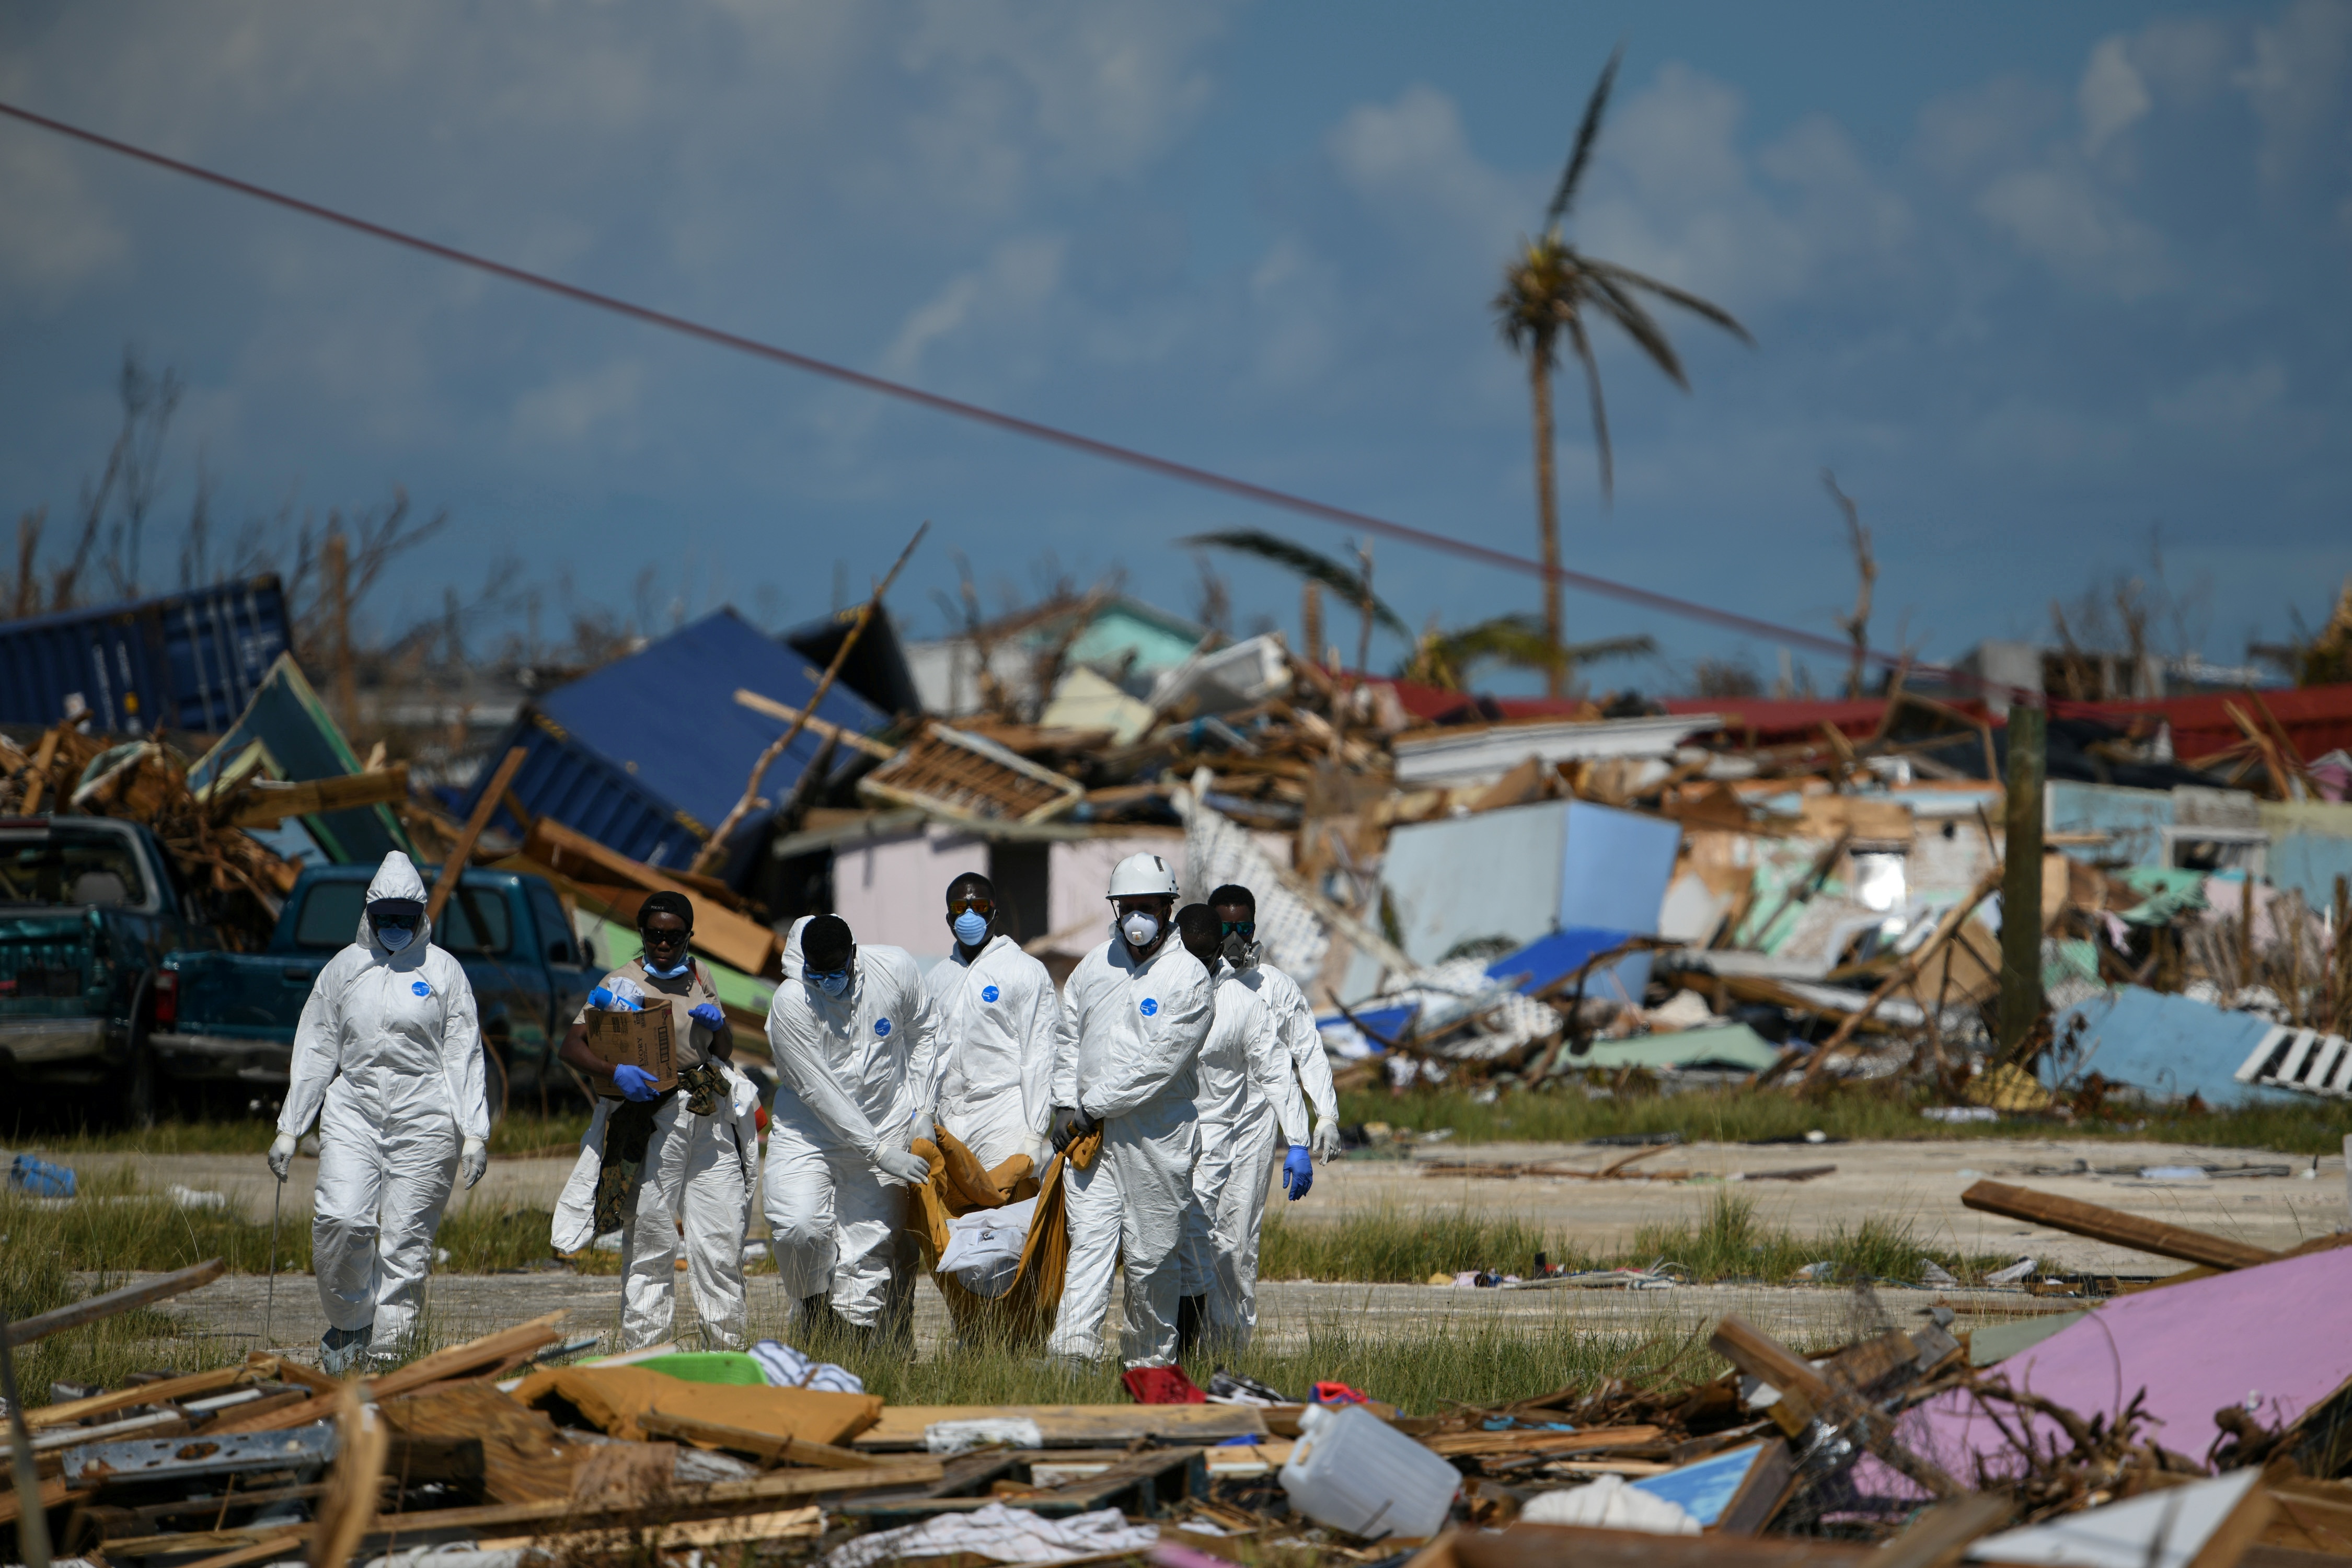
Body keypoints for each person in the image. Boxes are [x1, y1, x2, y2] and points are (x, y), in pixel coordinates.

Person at [268, 852, 489, 1373]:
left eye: (404, 919)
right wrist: (290, 1127)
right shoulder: (344, 970)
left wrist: (474, 1132)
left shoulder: (442, 972)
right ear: (369, 913)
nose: (394, 928)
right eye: (385, 917)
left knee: (405, 1241)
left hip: (425, 1113)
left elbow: (463, 1053)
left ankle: (393, 1360)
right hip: (355, 1108)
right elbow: (318, 1046)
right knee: (341, 1220)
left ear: (420, 917)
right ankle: (350, 1326)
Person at [556, 890, 755, 1350]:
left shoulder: (700, 975)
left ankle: (726, 1352)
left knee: (720, 1241)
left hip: (707, 1118)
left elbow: (721, 1051)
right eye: (653, 934)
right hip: (653, 1117)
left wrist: (719, 1023)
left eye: (673, 935)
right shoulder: (620, 983)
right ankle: (646, 1352)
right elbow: (572, 1046)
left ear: (688, 936)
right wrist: (614, 1073)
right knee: (651, 1237)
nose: (663, 944)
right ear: (642, 935)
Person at [1044, 852, 1214, 1368]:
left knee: (1151, 1257)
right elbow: (1067, 1034)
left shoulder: (1189, 978)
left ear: (1168, 908)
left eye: (1149, 906)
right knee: (1089, 1245)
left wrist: (1089, 1107)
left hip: (1156, 1137)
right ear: (1115, 909)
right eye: (1128, 906)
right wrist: (1062, 1101)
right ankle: (1072, 1354)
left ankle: (1149, 1362)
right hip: (1091, 1138)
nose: (1138, 917)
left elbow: (1156, 1065)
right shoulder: (1097, 965)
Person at [764, 913, 937, 1343]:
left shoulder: (894, 970)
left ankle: (852, 1348)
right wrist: (878, 1151)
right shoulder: (790, 1002)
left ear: (854, 955)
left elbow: (924, 1033)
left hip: (887, 1119)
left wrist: (924, 1111)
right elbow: (820, 1091)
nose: (827, 981)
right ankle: (814, 1310)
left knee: (871, 1245)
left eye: (836, 971)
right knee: (798, 1226)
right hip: (811, 1131)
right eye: (816, 973)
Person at [1204, 883, 1342, 1338]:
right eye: (1225, 929)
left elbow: (1308, 1051)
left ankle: (1229, 1345)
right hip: (1196, 1127)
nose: (1235, 939)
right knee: (1189, 1237)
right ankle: (1182, 1341)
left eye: (1244, 927)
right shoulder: (1188, 982)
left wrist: (1324, 1115)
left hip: (1253, 1129)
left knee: (1239, 1239)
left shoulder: (1276, 986)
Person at [1173, 903, 1310, 1350]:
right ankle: (1151, 1354)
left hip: (1220, 1141)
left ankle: (1207, 1350)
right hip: (1157, 1138)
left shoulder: (1243, 1003)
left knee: (1219, 1247)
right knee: (1152, 1250)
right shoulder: (1150, 990)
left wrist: (1300, 1138)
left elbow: (1280, 1069)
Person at [924, 872, 1060, 1172]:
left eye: (980, 906)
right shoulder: (936, 979)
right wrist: (924, 1115)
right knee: (955, 1218)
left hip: (1004, 1119)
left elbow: (1039, 1053)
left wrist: (1035, 1134)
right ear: (949, 918)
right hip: (949, 1121)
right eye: (960, 908)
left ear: (995, 913)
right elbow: (926, 1054)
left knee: (1002, 1217)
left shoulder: (1023, 970)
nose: (970, 915)